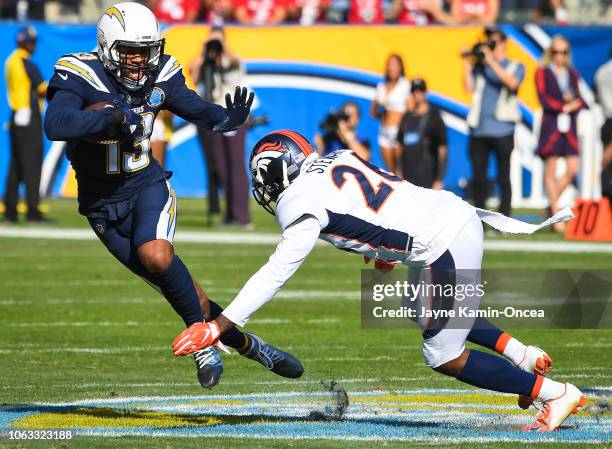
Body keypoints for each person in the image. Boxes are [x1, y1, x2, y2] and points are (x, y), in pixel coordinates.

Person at [171, 130, 583, 433]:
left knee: (443, 354)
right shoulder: (337, 157)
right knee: (419, 306)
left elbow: (274, 273)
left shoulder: (298, 203)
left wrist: (216, 327)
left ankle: (553, 393)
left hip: (443, 242)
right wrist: (379, 250)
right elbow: (376, 201)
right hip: (447, 217)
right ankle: (520, 353)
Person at [43, 3, 302, 389]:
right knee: (181, 289)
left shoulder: (160, 72)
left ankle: (202, 344)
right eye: (131, 51)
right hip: (100, 207)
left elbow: (192, 106)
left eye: (146, 51)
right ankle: (251, 346)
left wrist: (222, 119)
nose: (140, 61)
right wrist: (110, 117)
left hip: (145, 186)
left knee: (157, 254)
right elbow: (56, 123)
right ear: (107, 47)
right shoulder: (80, 73)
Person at [190, 26, 252, 227]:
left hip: (233, 115)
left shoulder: (232, 58)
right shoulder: (207, 61)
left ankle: (242, 216)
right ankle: (229, 214)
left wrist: (223, 48)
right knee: (221, 166)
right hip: (216, 116)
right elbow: (194, 76)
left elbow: (234, 70)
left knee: (235, 164)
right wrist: (204, 51)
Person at [463, 27, 525, 218]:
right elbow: (468, 87)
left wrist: (490, 60)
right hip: (479, 130)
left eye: (494, 42)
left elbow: (511, 83)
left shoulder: (516, 65)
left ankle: (505, 217)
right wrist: (466, 61)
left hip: (503, 130)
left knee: (503, 176)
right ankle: (479, 219)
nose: (491, 46)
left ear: (504, 43)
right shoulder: (480, 68)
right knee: (479, 178)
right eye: (489, 42)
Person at [535, 36, 585, 233]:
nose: (559, 56)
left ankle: (550, 207)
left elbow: (580, 97)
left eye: (563, 52)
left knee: (573, 168)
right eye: (556, 52)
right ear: (550, 53)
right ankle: (556, 217)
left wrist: (573, 104)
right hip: (552, 126)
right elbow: (543, 97)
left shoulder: (572, 73)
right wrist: (564, 106)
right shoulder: (542, 72)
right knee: (551, 169)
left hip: (569, 127)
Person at [3, 26, 48, 223]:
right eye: (32, 41)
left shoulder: (11, 60)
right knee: (32, 165)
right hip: (28, 117)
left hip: (16, 117)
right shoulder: (24, 61)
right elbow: (41, 89)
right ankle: (32, 210)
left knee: (15, 166)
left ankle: (10, 210)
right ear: (26, 42)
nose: (34, 45)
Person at [397, 78, 447, 189]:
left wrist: (439, 179)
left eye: (420, 91)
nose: (417, 94)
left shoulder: (434, 118)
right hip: (408, 176)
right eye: (414, 91)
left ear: (425, 93)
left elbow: (442, 149)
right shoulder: (406, 117)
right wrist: (398, 172)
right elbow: (400, 145)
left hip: (428, 176)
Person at [371, 54, 410, 174]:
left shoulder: (405, 85)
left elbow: (410, 109)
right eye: (389, 64)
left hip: (399, 132)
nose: (392, 67)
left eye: (395, 64)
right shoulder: (381, 86)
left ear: (400, 67)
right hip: (384, 133)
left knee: (402, 171)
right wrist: (382, 113)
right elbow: (373, 111)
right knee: (391, 172)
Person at [595, 51, 612, 203]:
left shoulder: (601, 71)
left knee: (606, 165)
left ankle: (605, 201)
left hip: (607, 121)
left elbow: (597, 98)